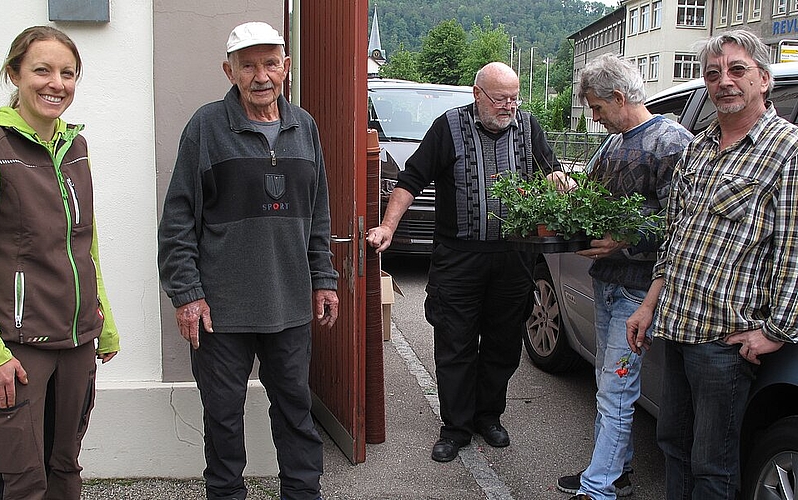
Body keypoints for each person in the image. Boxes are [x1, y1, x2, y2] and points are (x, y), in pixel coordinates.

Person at [157, 21, 339, 500]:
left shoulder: (306, 127)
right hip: (221, 312)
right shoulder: (206, 127)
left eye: (271, 63)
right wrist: (187, 295)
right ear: (229, 70)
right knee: (222, 420)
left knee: (296, 414)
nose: (262, 75)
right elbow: (178, 217)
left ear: (287, 68)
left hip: (291, 306)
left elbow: (318, 213)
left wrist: (324, 278)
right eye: (249, 65)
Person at [367, 61, 570, 463]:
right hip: (458, 259)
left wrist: (566, 189)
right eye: (500, 99)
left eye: (514, 98)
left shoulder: (529, 129)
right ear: (478, 95)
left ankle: (489, 416)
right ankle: (455, 427)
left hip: (514, 258)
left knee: (503, 343)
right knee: (454, 343)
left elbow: (553, 173)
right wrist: (388, 227)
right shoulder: (449, 127)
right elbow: (410, 181)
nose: (509, 106)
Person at [0, 25, 120, 499]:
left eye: (67, 73)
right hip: (16, 346)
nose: (56, 83)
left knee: (65, 471)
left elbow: (85, 243)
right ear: (14, 74)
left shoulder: (75, 147)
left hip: (76, 339)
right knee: (21, 480)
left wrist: (101, 323)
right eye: (41, 70)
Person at [626, 30, 798, 499]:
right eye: (713, 73)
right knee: (673, 446)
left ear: (764, 80)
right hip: (676, 326)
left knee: (714, 464)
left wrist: (776, 330)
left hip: (725, 341)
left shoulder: (788, 150)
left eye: (738, 70)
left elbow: (794, 249)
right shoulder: (698, 148)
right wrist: (648, 305)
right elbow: (674, 236)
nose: (725, 81)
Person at [556, 54, 693, 500]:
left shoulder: (672, 143)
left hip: (641, 291)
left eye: (596, 108)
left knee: (616, 388)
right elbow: (593, 199)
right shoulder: (611, 145)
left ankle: (598, 489)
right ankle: (617, 470)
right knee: (608, 383)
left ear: (618, 97)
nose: (594, 118)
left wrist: (623, 242)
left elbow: (682, 226)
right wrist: (569, 191)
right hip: (607, 282)